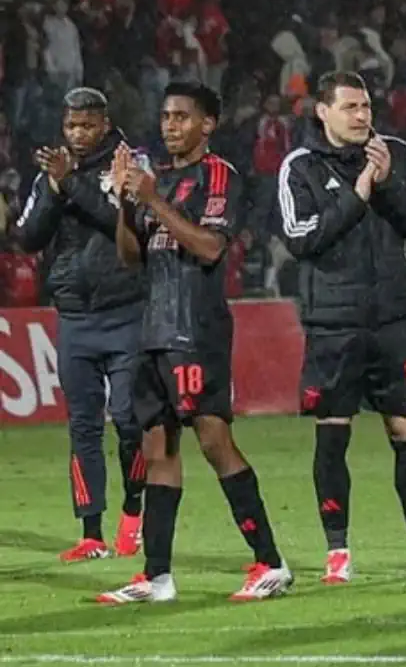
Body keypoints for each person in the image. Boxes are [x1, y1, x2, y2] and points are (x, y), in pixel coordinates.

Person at [97, 82, 292, 603]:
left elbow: (209, 248)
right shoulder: (154, 180)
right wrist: (124, 203)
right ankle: (156, 576)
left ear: (207, 124)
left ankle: (270, 562)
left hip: (196, 328)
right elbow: (131, 257)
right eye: (165, 116)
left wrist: (152, 198)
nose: (169, 125)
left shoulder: (217, 175)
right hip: (154, 328)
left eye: (182, 117)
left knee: (213, 441)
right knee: (157, 448)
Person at [277, 71, 406, 584]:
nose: (361, 116)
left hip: (390, 318)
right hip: (332, 323)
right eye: (350, 107)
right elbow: (302, 238)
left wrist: (388, 181)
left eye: (367, 107)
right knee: (333, 437)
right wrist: (357, 193)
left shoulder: (395, 153)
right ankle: (338, 553)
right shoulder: (300, 167)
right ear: (322, 112)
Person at [12, 87, 146, 562]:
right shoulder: (54, 173)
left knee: (131, 419)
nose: (79, 134)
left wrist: (71, 184)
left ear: (105, 123)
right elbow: (27, 237)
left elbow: (123, 221)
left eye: (87, 125)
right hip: (75, 316)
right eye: (72, 126)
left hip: (127, 309)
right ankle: (92, 533)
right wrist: (52, 188)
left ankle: (135, 508)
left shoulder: (131, 164)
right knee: (83, 426)